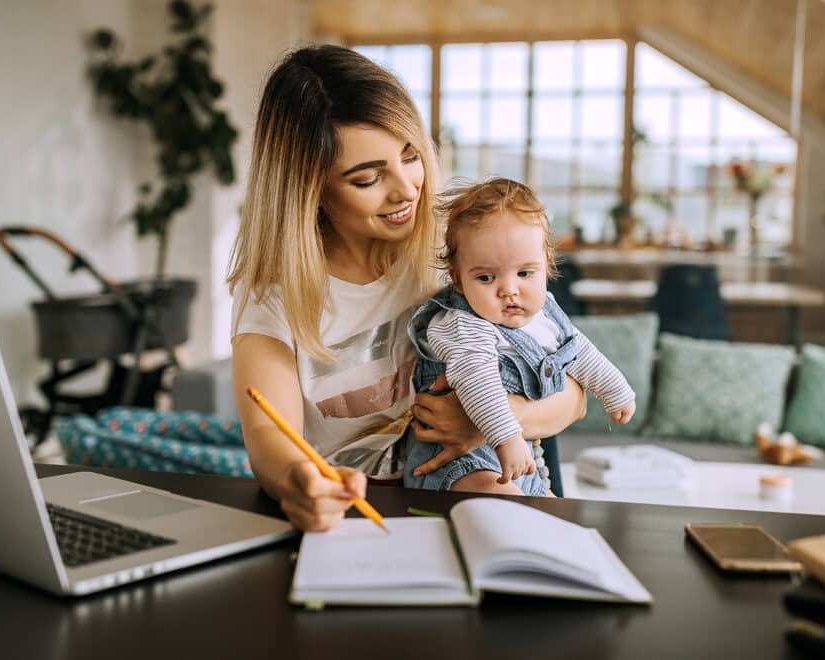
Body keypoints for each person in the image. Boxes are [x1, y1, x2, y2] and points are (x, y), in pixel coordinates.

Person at [226, 45, 587, 532]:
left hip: (480, 496)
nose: (407, 189)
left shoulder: (458, 249)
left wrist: (492, 420)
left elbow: (574, 393)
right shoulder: (274, 295)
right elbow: (269, 432)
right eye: (368, 178)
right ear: (310, 187)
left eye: (411, 155)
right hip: (360, 522)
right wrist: (299, 481)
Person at [405, 178, 637, 496]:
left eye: (525, 273)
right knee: (511, 508)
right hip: (464, 464)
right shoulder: (463, 325)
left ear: (547, 267)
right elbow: (477, 380)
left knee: (556, 523)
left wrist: (614, 388)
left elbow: (577, 350)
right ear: (458, 280)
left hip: (523, 461)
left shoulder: (545, 316)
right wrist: (508, 438)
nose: (509, 289)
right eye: (486, 277)